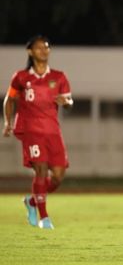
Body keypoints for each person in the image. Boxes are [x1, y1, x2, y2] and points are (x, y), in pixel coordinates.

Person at [3, 35, 73, 229]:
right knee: (41, 169)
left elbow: (69, 100)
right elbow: (9, 100)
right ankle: (44, 217)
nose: (44, 50)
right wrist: (8, 122)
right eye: (39, 47)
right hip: (31, 129)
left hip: (52, 131)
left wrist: (66, 103)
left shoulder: (58, 77)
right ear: (30, 51)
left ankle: (32, 201)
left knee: (58, 175)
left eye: (46, 47)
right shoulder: (21, 77)